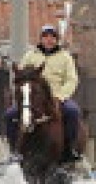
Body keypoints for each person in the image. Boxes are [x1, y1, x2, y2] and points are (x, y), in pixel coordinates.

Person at [5, 25, 81, 163]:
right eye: (45, 37)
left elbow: (72, 79)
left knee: (73, 112)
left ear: (56, 39)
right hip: (33, 99)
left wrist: (61, 96)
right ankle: (14, 150)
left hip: (57, 97)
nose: (49, 40)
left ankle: (70, 148)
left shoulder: (65, 57)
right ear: (41, 39)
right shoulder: (30, 55)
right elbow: (20, 76)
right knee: (10, 114)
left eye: (52, 37)